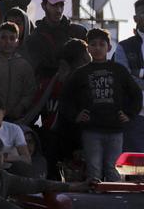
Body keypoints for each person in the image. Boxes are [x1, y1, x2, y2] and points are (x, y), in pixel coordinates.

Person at [61, 28, 143, 181]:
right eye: (93, 44)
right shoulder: (80, 73)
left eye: (101, 44)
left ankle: (116, 202)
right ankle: (95, 202)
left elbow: (136, 94)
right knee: (94, 171)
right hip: (91, 129)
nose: (97, 48)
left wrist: (129, 113)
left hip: (115, 130)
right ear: (88, 47)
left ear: (109, 47)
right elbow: (66, 98)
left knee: (113, 170)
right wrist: (75, 116)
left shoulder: (119, 70)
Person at [0, 23, 36, 121]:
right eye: (3, 37)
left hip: (16, 119)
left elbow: (30, 91)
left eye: (12, 38)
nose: (7, 42)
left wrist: (21, 106)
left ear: (17, 42)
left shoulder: (24, 66)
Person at [27, 0, 78, 80]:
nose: (58, 10)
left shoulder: (77, 32)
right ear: (43, 5)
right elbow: (36, 69)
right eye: (54, 5)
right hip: (46, 90)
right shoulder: (35, 37)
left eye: (61, 5)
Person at [114, 0, 144, 152]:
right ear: (135, 18)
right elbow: (124, 77)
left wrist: (139, 72)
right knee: (135, 167)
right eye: (143, 13)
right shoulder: (124, 46)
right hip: (135, 114)